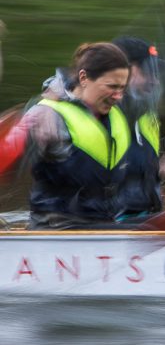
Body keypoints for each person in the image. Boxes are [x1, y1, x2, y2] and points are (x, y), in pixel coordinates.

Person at [23, 43, 132, 229]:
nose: (118, 96)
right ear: (84, 78)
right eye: (112, 86)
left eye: (122, 88)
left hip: (105, 228)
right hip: (57, 233)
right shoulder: (45, 115)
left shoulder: (116, 116)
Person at [110, 35, 164, 219]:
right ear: (125, 70)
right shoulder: (94, 110)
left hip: (144, 221)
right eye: (148, 72)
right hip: (106, 229)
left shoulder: (147, 116)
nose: (155, 81)